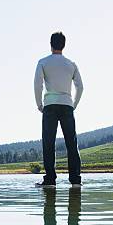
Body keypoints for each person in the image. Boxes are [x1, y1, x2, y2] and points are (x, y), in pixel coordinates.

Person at [34, 32, 84, 187]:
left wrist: (39, 104)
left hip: (49, 105)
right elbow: (80, 87)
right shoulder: (71, 64)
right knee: (71, 143)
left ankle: (50, 179)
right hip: (67, 104)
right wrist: (73, 104)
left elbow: (37, 85)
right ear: (64, 44)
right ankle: (75, 179)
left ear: (51, 44)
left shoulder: (43, 62)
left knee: (49, 143)